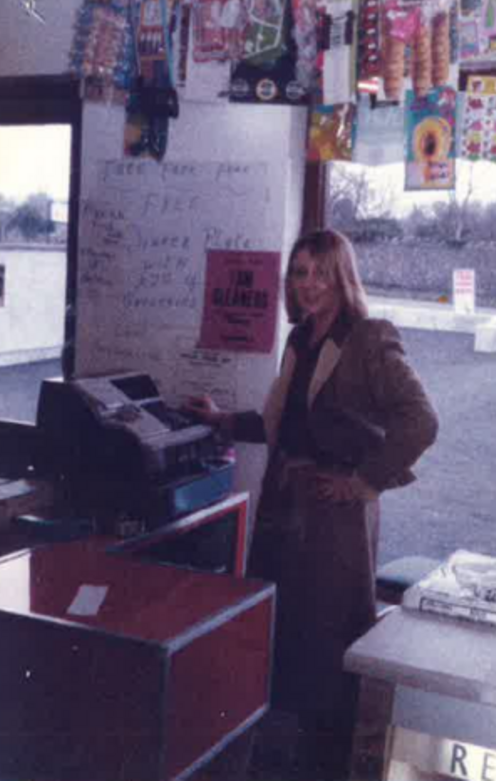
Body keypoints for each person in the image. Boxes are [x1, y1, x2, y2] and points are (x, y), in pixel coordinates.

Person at [185, 229, 438, 779]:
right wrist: (220, 419)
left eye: (320, 272)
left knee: (329, 653)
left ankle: (327, 766)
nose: (308, 283)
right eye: (299, 273)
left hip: (333, 522)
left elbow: (421, 422)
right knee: (279, 645)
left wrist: (363, 482)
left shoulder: (368, 339)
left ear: (342, 277)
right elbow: (282, 428)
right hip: (284, 515)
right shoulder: (299, 339)